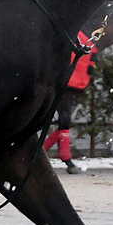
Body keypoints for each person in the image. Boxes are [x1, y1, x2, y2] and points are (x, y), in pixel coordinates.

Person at [43, 32, 96, 174]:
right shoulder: (82, 36)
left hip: (68, 78)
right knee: (64, 119)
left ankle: (43, 150)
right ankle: (64, 156)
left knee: (64, 119)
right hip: (68, 79)